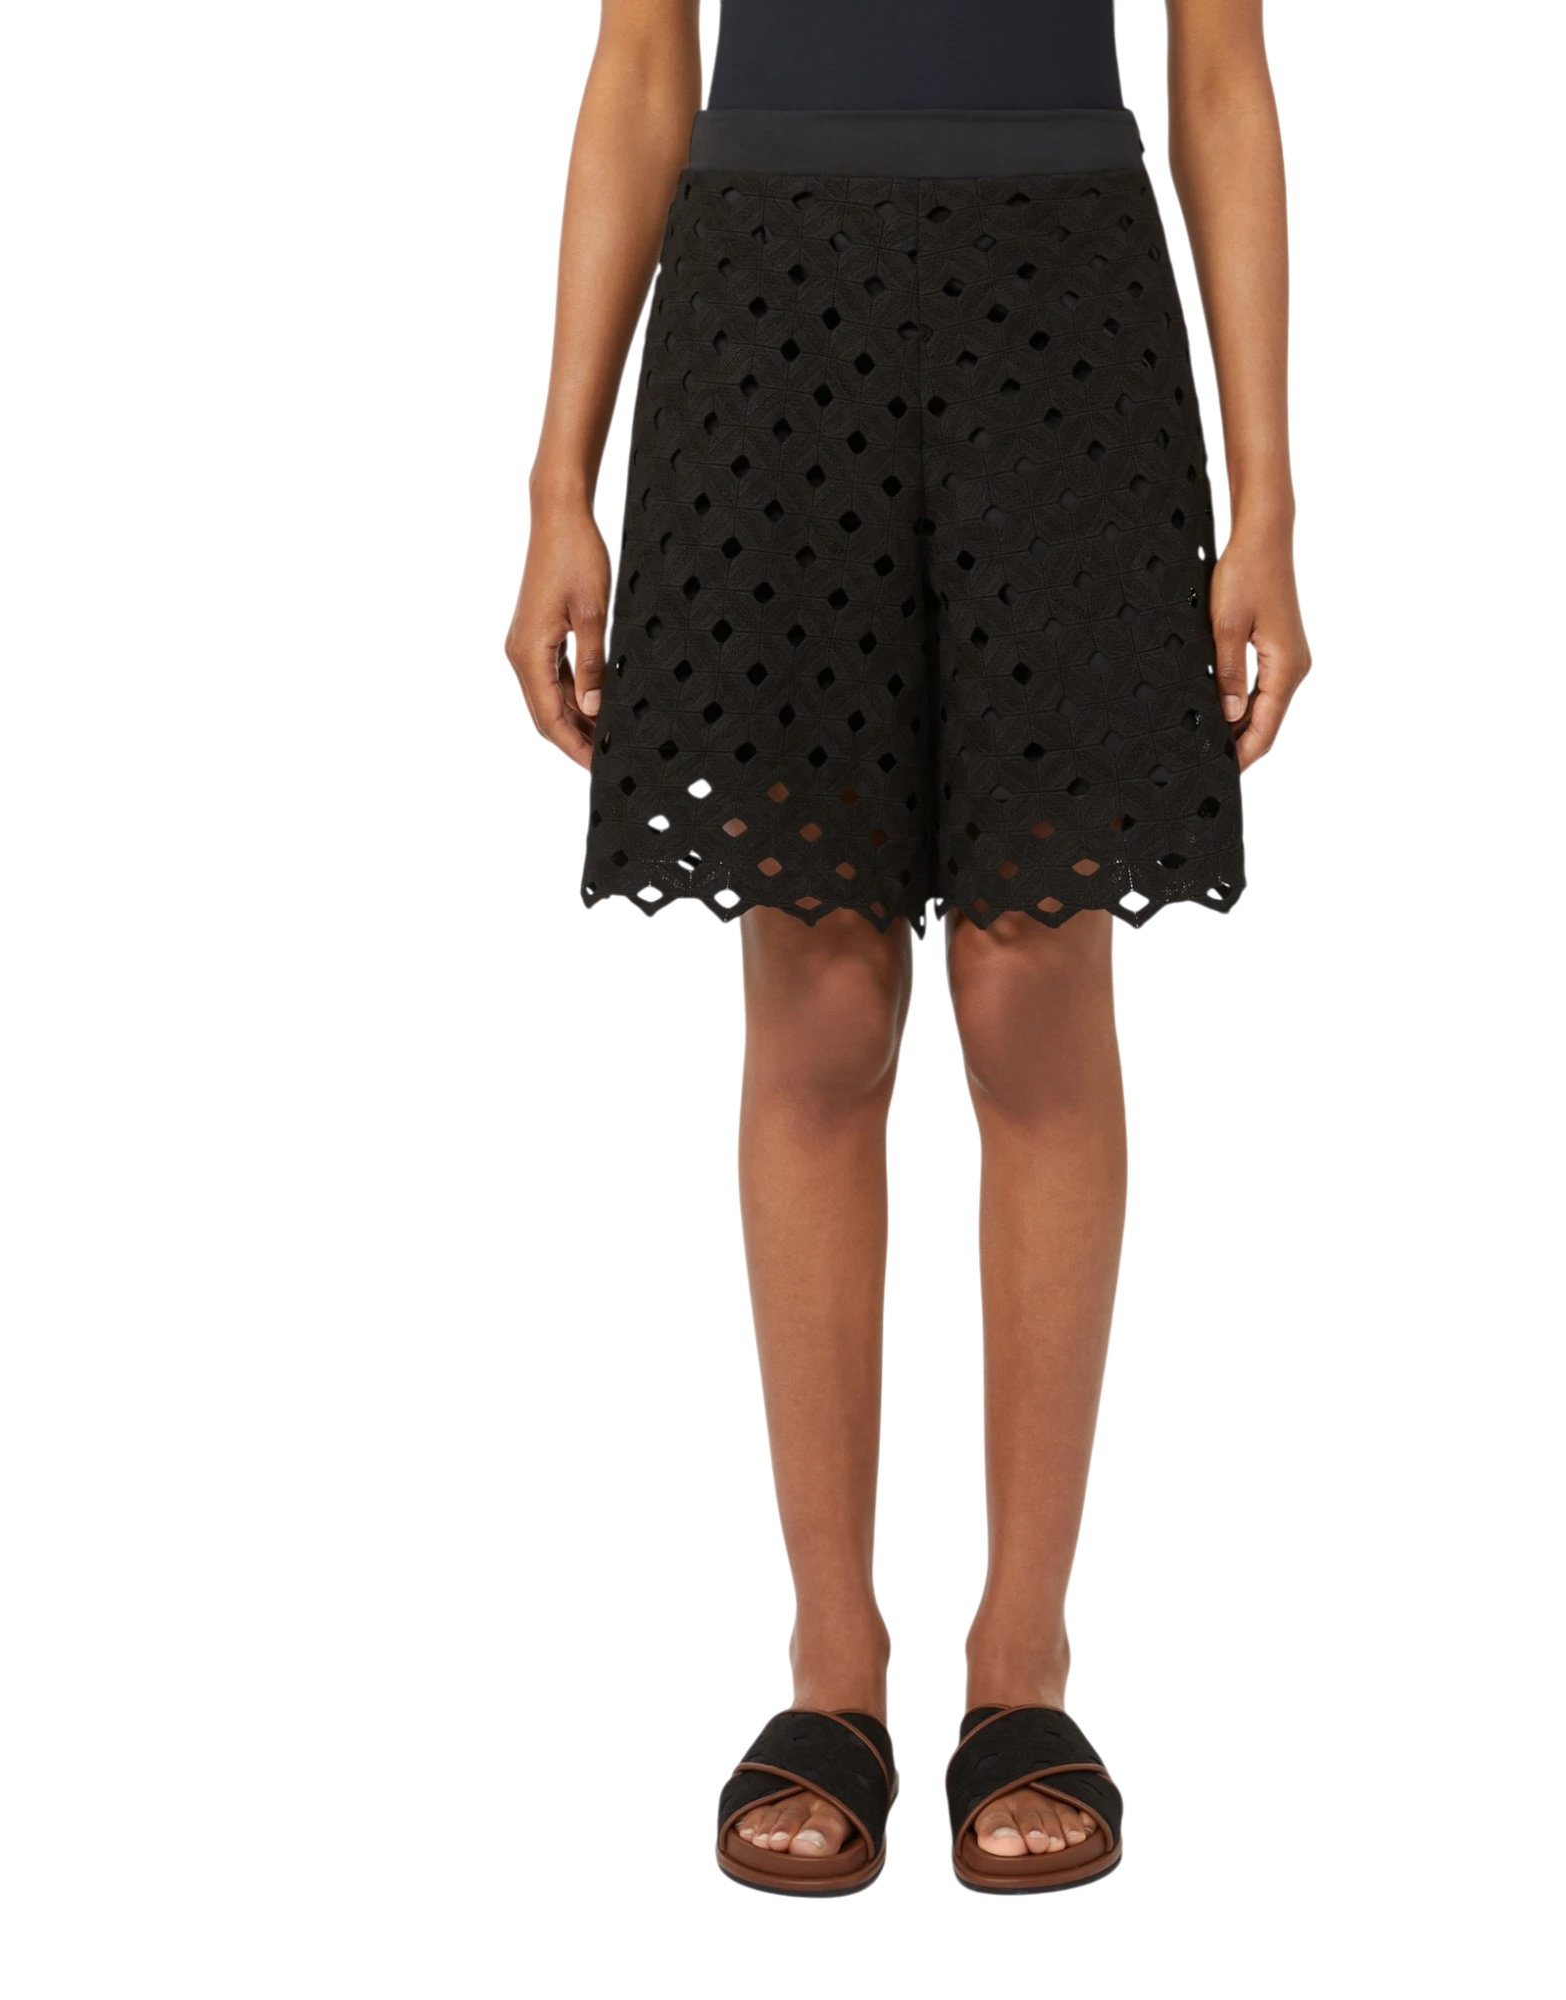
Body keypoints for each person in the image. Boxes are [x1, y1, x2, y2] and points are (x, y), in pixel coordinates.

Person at [504, 0, 1305, 1893]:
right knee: (817, 999)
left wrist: (1267, 489)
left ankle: (1020, 1663)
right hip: (764, 302)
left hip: (1072, 307)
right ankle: (835, 1667)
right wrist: (560, 478)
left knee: (1034, 984)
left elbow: (1217, 77)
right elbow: (640, 68)